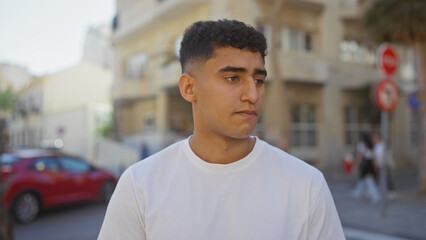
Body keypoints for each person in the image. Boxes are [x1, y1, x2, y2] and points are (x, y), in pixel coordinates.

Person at [98, 19, 345, 240]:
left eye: (258, 80)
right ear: (189, 88)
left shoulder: (306, 185)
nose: (253, 94)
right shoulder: (140, 185)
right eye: (232, 78)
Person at [351, 133, 381, 203]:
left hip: (366, 164)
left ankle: (375, 196)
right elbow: (374, 156)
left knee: (369, 180)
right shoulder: (371, 145)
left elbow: (360, 155)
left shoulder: (363, 145)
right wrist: (375, 165)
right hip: (370, 164)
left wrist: (355, 163)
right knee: (363, 179)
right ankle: (357, 192)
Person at [373, 132, 396, 197]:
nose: (374, 140)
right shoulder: (376, 146)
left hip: (384, 164)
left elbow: (384, 156)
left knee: (387, 178)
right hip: (379, 165)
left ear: (378, 138)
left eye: (375, 138)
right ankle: (381, 190)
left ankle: (391, 191)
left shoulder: (383, 145)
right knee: (380, 178)